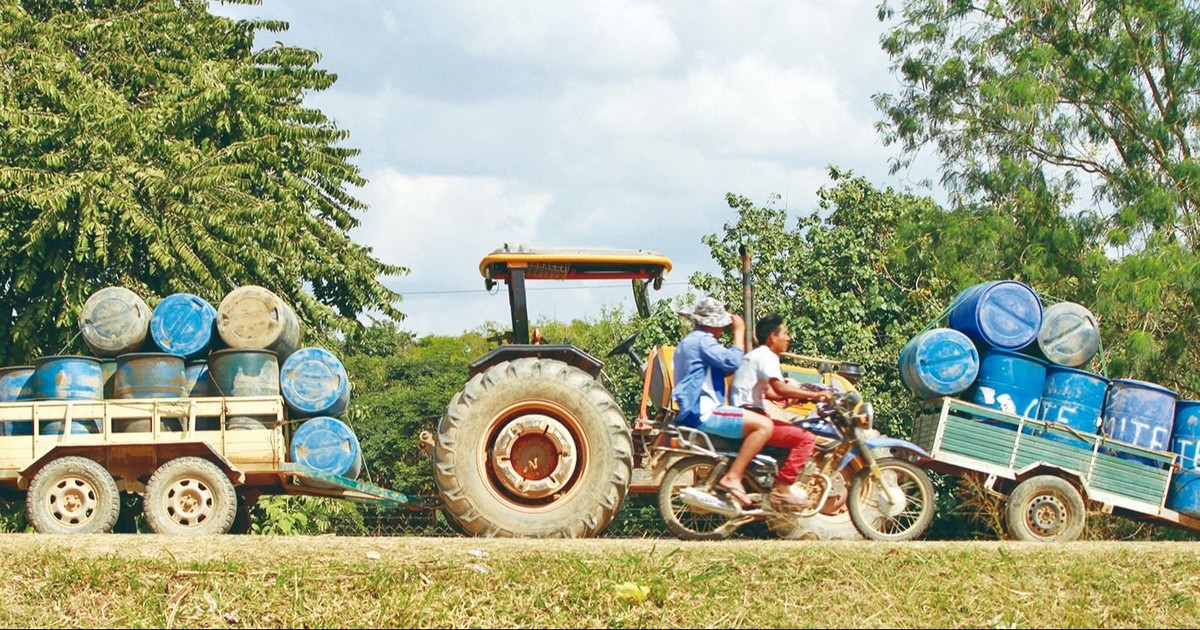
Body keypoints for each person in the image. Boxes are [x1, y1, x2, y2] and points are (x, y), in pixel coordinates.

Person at [670, 296, 774, 507]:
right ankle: (733, 477)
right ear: (712, 324)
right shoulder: (703, 340)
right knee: (765, 426)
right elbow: (732, 361)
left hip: (693, 411)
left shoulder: (688, 342)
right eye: (721, 326)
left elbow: (720, 369)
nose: (722, 330)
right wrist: (739, 332)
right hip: (705, 412)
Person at [730, 314, 832, 509]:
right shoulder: (767, 356)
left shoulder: (758, 355)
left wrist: (800, 396)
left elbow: (771, 392)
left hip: (747, 413)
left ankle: (769, 484)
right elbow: (780, 388)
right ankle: (782, 489)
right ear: (772, 336)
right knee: (806, 438)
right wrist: (817, 395)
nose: (788, 338)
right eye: (785, 333)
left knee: (789, 430)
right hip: (752, 415)